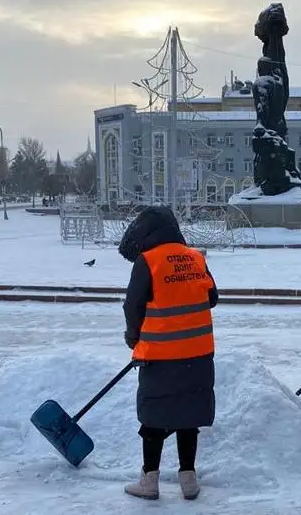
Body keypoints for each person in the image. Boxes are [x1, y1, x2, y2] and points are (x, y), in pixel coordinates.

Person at [118, 206, 218, 500]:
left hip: (159, 356)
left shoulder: (147, 261)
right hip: (198, 354)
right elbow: (212, 297)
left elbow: (132, 306)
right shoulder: (196, 257)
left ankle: (149, 482)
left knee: (154, 415)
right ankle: (189, 480)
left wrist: (133, 338)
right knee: (189, 414)